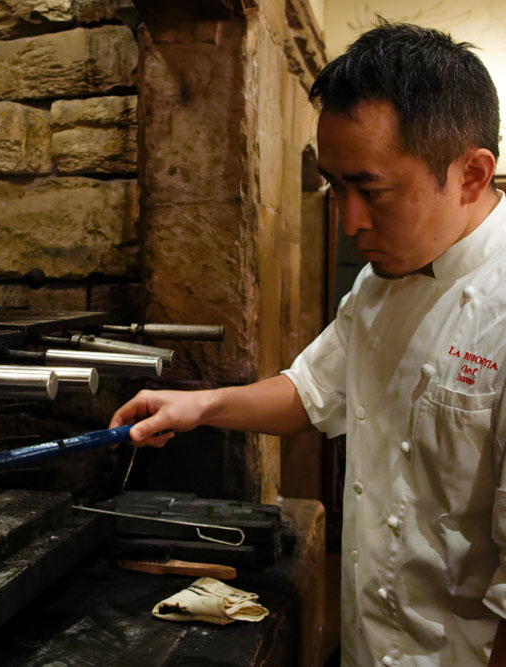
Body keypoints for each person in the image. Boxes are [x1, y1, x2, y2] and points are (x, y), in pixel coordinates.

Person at [109, 21, 504, 667]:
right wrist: (201, 406)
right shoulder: (380, 289)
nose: (350, 222)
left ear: (470, 173)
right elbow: (311, 389)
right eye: (335, 187)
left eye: (370, 189)